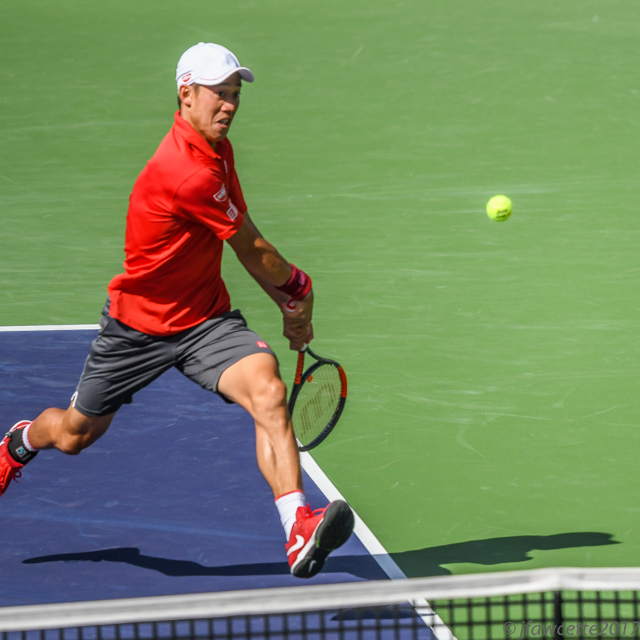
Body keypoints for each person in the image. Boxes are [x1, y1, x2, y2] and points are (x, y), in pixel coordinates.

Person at [0, 42, 354, 579]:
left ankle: (297, 525)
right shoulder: (187, 173)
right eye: (218, 93)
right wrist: (298, 290)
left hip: (206, 320)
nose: (229, 104)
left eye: (235, 94)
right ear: (186, 94)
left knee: (268, 391)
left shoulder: (217, 150)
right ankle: (19, 442)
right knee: (73, 435)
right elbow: (250, 247)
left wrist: (287, 303)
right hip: (136, 329)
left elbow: (244, 234)